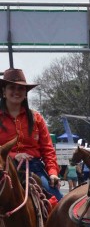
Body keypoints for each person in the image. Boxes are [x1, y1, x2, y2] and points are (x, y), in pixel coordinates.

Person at [0, 68, 61, 202]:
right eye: (12, 87)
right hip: (3, 169)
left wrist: (52, 173)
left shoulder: (36, 118)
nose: (16, 91)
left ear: (26, 93)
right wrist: (14, 155)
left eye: (21, 88)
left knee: (58, 201)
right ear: (4, 91)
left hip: (33, 168)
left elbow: (48, 150)